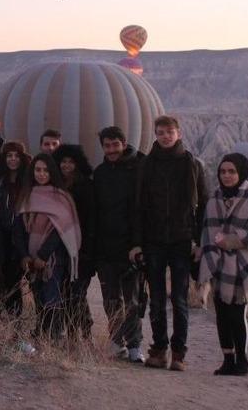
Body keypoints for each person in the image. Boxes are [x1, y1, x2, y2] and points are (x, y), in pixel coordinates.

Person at [133, 115, 208, 371]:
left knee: (179, 299)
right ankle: (159, 349)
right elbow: (139, 207)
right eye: (161, 132)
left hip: (181, 240)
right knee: (156, 299)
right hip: (153, 240)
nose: (165, 136)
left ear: (179, 133)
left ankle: (179, 353)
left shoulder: (192, 165)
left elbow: (203, 207)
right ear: (155, 134)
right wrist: (138, 243)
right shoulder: (147, 165)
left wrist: (199, 242)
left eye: (170, 132)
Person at [199, 153, 248, 376]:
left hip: (242, 266)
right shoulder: (214, 200)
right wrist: (211, 253)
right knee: (221, 314)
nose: (227, 176)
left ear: (241, 173)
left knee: (237, 314)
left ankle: (243, 360)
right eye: (223, 172)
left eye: (232, 171)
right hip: (218, 264)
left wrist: (230, 240)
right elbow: (207, 233)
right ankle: (227, 359)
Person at [13, 153, 81, 340]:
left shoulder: (61, 197)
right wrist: (24, 255)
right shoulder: (27, 195)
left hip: (52, 259)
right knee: (37, 298)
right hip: (31, 259)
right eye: (37, 170)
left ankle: (54, 337)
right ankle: (41, 336)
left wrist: (43, 255)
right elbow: (18, 228)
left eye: (46, 170)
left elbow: (61, 230)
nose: (41, 174)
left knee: (52, 297)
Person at [93, 126, 146, 363]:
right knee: (110, 299)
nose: (112, 150)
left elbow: (141, 210)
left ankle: (135, 345)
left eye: (116, 145)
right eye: (107, 145)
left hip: (131, 248)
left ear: (124, 143)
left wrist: (138, 244)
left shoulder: (138, 169)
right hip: (106, 248)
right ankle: (116, 341)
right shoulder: (101, 173)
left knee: (133, 300)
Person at [52, 144, 95, 340]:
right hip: (59, 247)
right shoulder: (54, 186)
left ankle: (84, 332)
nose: (66, 165)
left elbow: (91, 219)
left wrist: (86, 249)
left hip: (81, 248)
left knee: (77, 292)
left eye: (70, 161)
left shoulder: (86, 187)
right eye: (63, 161)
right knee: (65, 291)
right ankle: (71, 335)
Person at [0, 141, 31, 315]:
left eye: (16, 156)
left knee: (31, 285)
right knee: (6, 283)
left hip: (24, 239)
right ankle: (10, 324)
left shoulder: (29, 181)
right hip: (0, 239)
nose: (13, 159)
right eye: (9, 155)